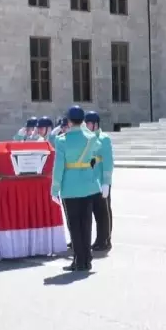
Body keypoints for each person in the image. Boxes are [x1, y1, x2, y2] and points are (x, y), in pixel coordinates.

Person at [51, 106, 103, 272]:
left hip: (70, 187)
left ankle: (79, 260)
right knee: (86, 223)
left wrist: (54, 189)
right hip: (88, 185)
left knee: (74, 225)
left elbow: (58, 167)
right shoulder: (90, 138)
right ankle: (87, 259)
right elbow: (95, 154)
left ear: (69, 121)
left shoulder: (62, 140)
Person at [84, 111, 114, 252]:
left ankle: (105, 240)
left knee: (103, 213)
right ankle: (98, 239)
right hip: (89, 182)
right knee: (94, 213)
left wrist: (106, 182)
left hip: (101, 180)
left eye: (89, 123)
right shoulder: (85, 138)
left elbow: (108, 162)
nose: (87, 126)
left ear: (95, 124)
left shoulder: (104, 139)